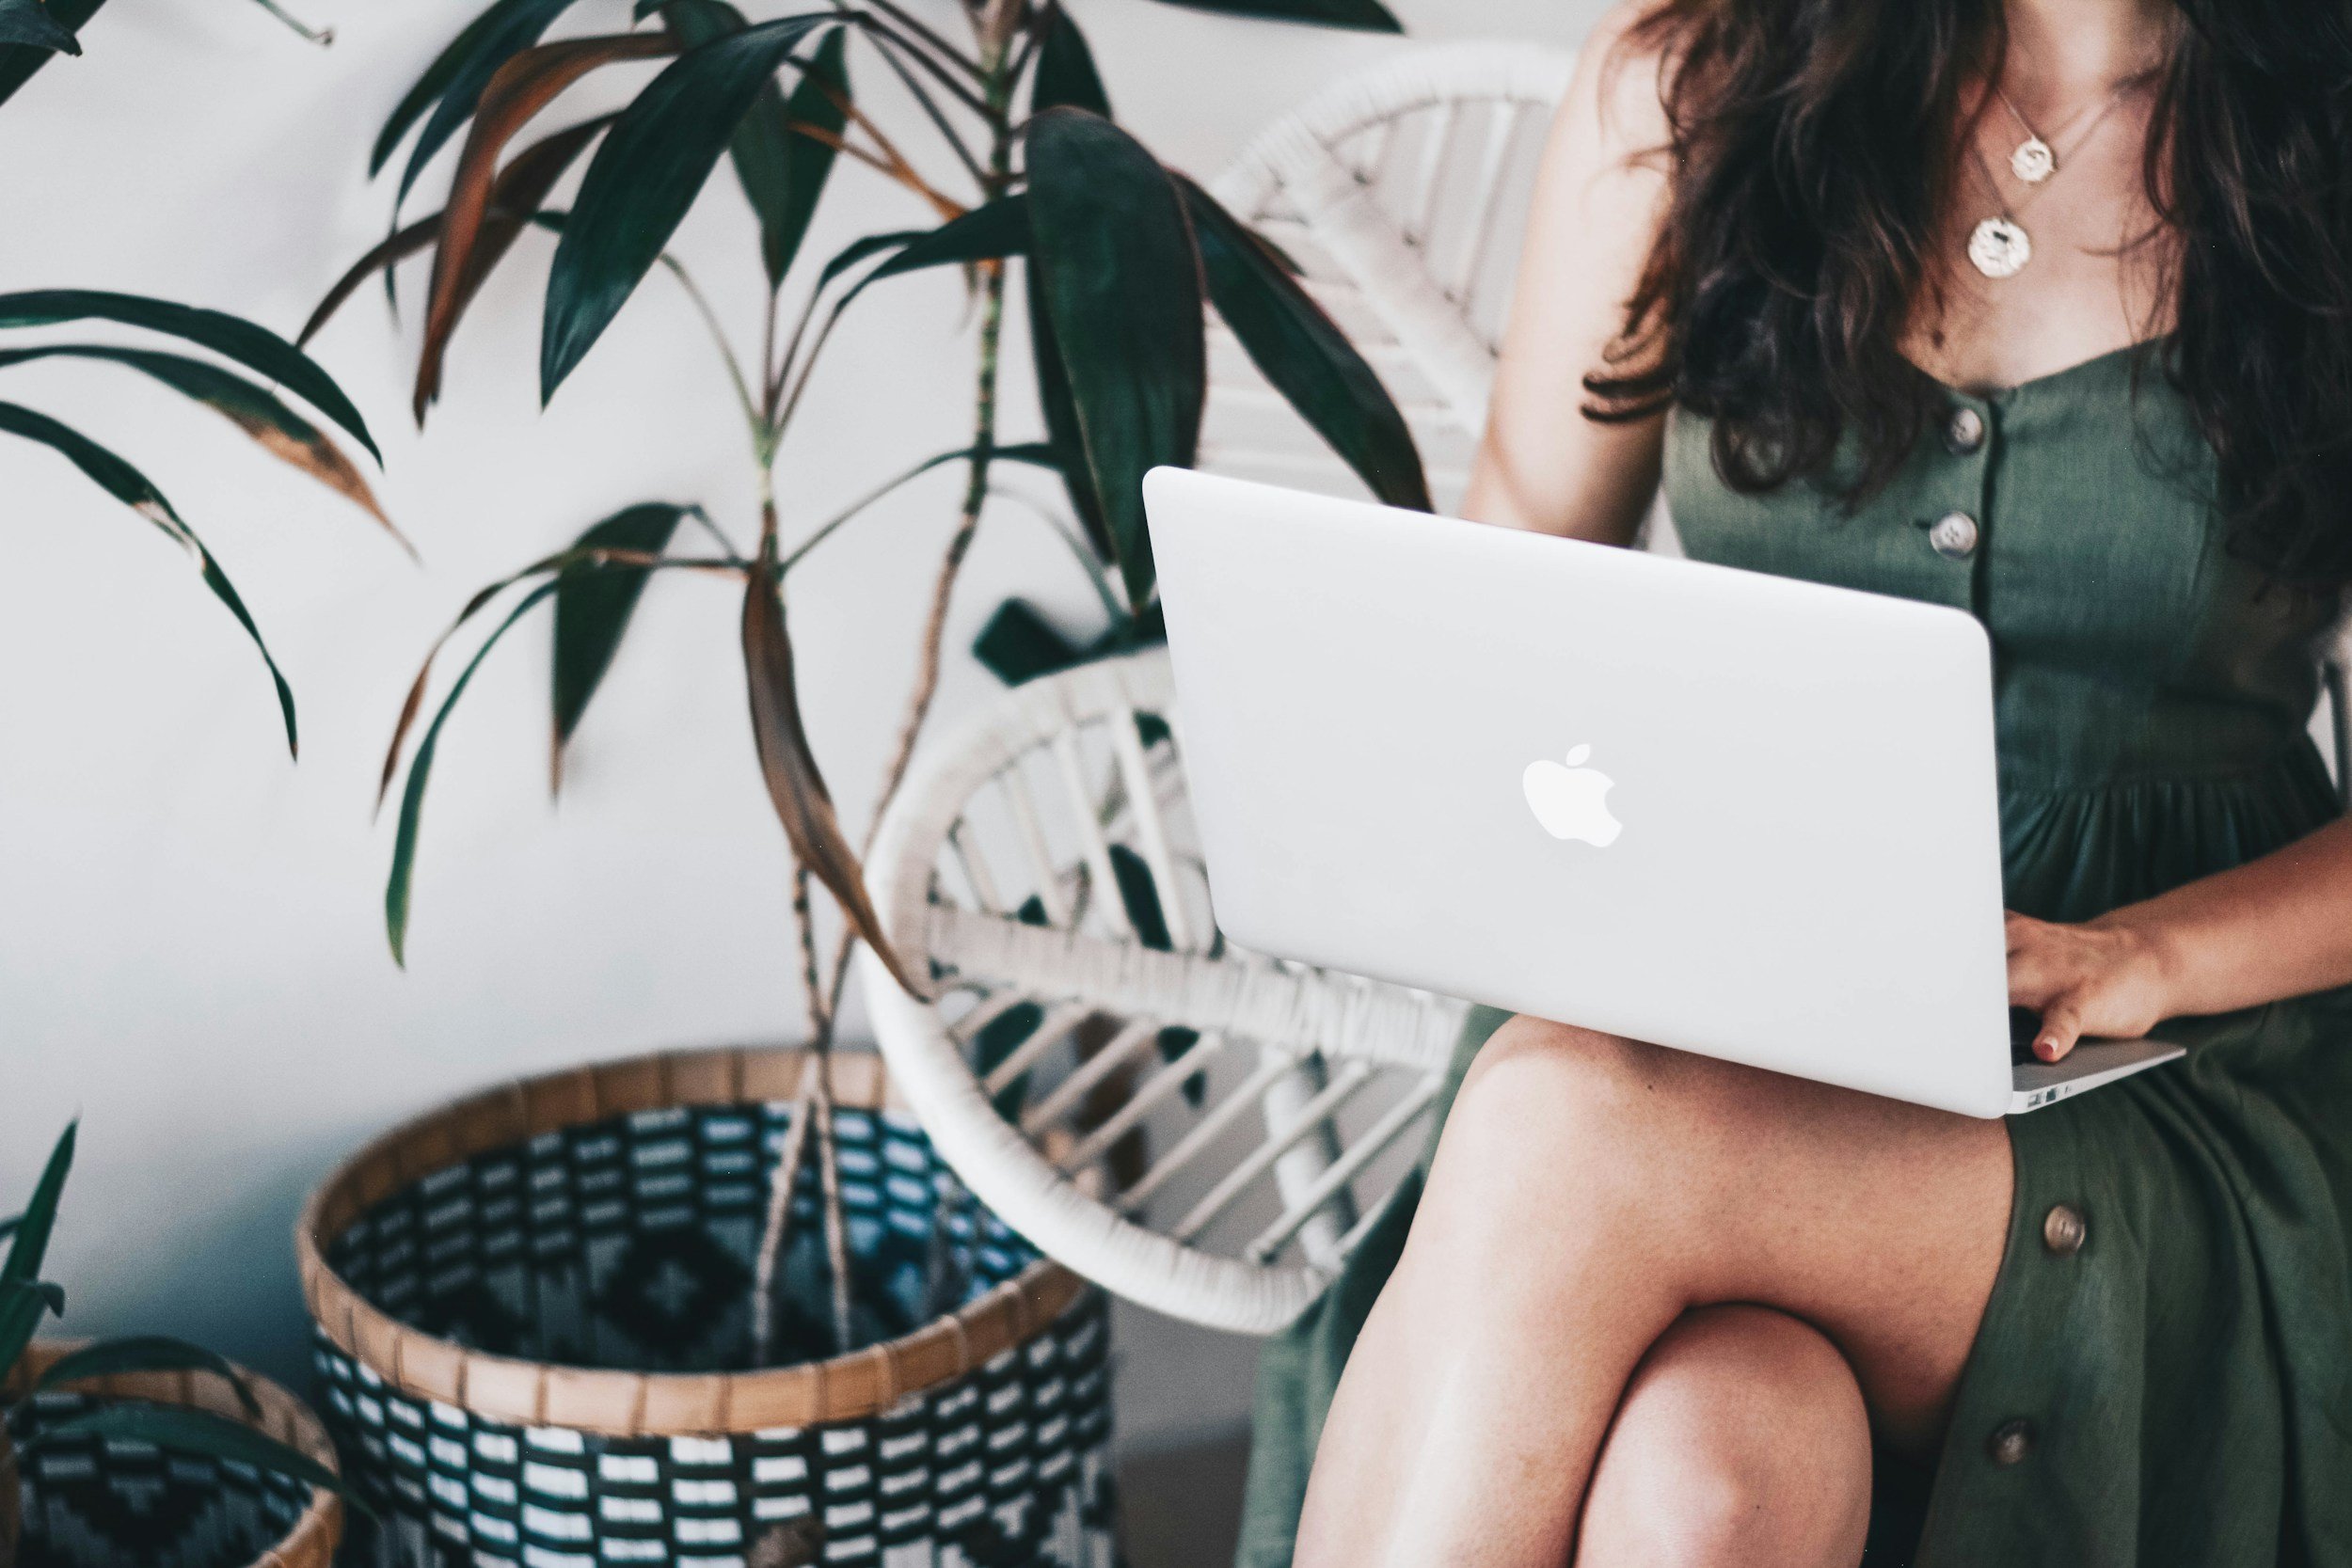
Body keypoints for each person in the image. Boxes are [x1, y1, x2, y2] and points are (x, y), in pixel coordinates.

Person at [1232, 0, 2352, 1563]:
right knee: (1710, 1482)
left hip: (2180, 1056)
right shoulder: (1694, 79)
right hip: (1722, 992)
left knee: (1565, 1125)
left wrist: (2146, 954)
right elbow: (1517, 572)